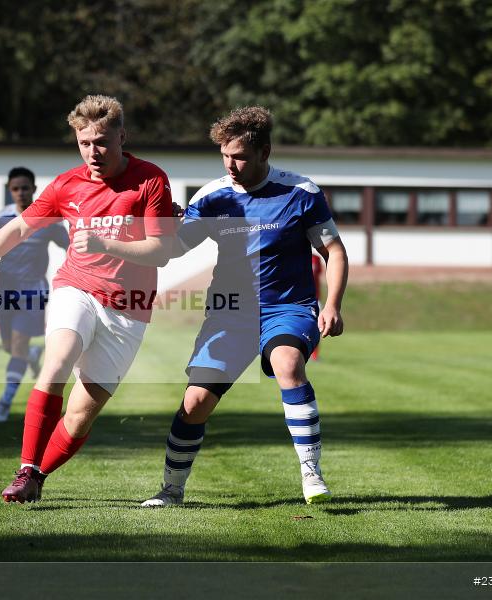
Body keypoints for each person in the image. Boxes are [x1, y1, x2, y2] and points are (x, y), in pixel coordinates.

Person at [0, 95, 175, 503]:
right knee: (55, 365)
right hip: (77, 288)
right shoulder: (66, 185)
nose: (93, 152)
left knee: (80, 416)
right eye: (84, 143)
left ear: (122, 137)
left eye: (102, 142)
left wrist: (106, 243)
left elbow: (161, 250)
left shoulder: (150, 179)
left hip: (129, 310)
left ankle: (37, 477)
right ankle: (25, 469)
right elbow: (18, 228)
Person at [141, 106, 348, 507]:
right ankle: (171, 490)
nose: (230, 165)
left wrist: (333, 305)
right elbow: (173, 249)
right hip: (230, 313)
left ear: (264, 152)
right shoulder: (212, 196)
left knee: (288, 364)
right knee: (195, 403)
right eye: (224, 155)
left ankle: (311, 472)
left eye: (239, 156)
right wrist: (162, 223)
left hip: (287, 308)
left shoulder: (301, 192)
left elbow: (334, 252)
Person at [0, 167, 70, 422]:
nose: (20, 192)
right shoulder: (2, 218)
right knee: (9, 347)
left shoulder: (48, 218)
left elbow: (71, 245)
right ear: (10, 191)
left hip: (34, 292)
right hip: (5, 291)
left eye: (25, 188)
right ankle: (31, 355)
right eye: (15, 188)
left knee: (19, 344)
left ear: (34, 189)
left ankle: (4, 403)